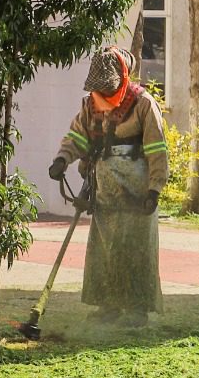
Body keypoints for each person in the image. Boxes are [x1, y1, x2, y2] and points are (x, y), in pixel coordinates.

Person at [49, 45, 169, 327]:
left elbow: (156, 149)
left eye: (106, 90)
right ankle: (108, 307)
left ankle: (137, 309)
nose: (101, 96)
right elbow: (77, 137)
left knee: (136, 249)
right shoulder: (90, 105)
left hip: (138, 191)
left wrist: (155, 189)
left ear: (123, 78)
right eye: (98, 90)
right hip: (105, 189)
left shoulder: (143, 104)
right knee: (105, 249)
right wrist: (61, 160)